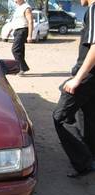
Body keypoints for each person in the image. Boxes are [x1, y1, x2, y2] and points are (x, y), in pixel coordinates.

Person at [53, 0, 95, 178]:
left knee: (60, 117)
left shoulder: (94, 7)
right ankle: (90, 157)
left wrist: (78, 78)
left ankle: (84, 161)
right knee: (88, 116)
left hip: (88, 76)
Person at [7, 0, 33, 76]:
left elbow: (30, 21)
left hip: (22, 30)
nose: (14, 0)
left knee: (15, 50)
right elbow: (15, 21)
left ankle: (23, 68)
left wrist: (30, 35)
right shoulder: (18, 8)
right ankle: (20, 69)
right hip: (17, 31)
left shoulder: (26, 7)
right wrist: (10, 31)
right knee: (20, 51)